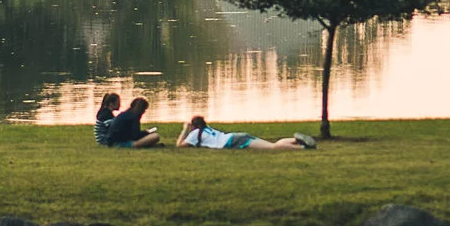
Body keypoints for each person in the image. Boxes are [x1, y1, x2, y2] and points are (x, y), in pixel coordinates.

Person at [176, 114, 313, 151]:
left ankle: (302, 147)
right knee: (271, 145)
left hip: (234, 141)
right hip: (237, 136)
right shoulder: (208, 129)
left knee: (273, 147)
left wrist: (185, 129)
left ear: (193, 126)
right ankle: (295, 140)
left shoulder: (194, 134)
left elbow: (179, 146)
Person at [94, 92, 167, 149]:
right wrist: (146, 133)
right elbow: (135, 136)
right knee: (155, 136)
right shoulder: (134, 117)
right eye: (144, 110)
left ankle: (147, 145)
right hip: (118, 144)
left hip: (113, 141)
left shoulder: (126, 114)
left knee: (149, 138)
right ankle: (142, 145)